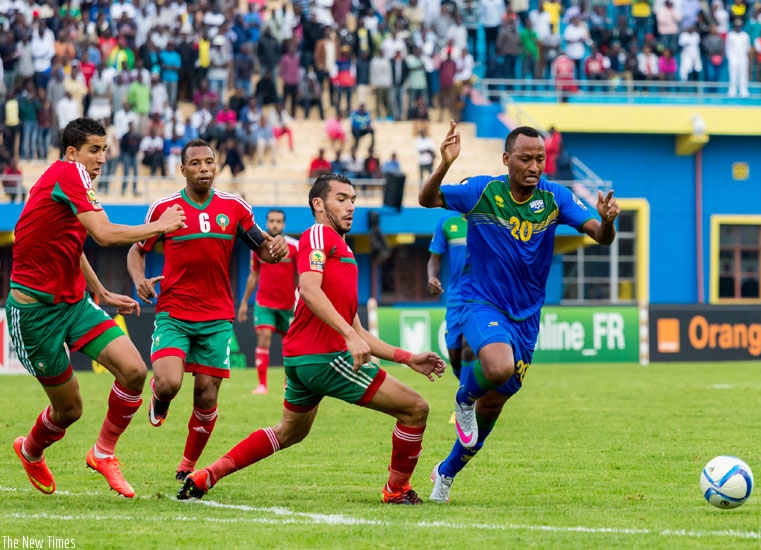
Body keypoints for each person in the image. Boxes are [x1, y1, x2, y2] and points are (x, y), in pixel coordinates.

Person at [178, 173, 447, 504]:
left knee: (289, 431)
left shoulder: (343, 249)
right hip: (325, 358)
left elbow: (359, 330)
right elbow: (309, 288)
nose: (350, 206)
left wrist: (408, 358)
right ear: (318, 204)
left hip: (304, 360)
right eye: (341, 199)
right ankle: (397, 490)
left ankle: (208, 474)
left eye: (353, 200)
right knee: (415, 409)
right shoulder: (319, 234)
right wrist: (347, 336)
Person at [419, 122, 620, 503]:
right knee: (497, 367)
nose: (534, 165)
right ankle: (463, 398)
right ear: (507, 159)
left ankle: (445, 474)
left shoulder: (556, 197)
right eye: (526, 158)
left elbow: (599, 234)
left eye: (540, 158)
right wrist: (444, 165)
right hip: (482, 302)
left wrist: (608, 221)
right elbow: (426, 199)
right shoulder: (483, 191)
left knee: (493, 406)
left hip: (527, 318)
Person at [8, 117, 186, 498]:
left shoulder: (75, 183)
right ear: (73, 152)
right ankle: (30, 449)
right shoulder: (68, 172)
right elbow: (104, 235)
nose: (102, 157)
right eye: (94, 149)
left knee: (135, 371)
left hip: (74, 305)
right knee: (70, 410)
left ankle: (103, 453)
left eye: (105, 149)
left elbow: (72, 245)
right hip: (34, 315)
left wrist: (101, 292)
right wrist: (160, 226)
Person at [126, 139, 289, 483]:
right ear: (182, 169)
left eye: (210, 162)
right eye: (196, 163)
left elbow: (264, 249)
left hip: (217, 316)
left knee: (206, 393)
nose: (204, 168)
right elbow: (137, 249)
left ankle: (187, 465)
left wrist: (276, 250)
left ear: (217, 167)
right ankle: (160, 397)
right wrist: (139, 279)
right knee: (169, 382)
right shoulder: (165, 209)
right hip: (174, 311)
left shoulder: (235, 208)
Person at [237, 209, 299, 394]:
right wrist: (243, 302)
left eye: (279, 221)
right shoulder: (258, 248)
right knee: (263, 338)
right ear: (267, 222)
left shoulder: (294, 247)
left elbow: (300, 276)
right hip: (264, 303)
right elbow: (253, 275)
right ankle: (262, 385)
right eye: (272, 221)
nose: (275, 224)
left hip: (288, 305)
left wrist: (300, 300)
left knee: (290, 344)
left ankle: (289, 383)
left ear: (284, 224)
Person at [427, 212, 476, 390]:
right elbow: (434, 258)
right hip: (456, 298)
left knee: (469, 347)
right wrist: (432, 277)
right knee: (455, 356)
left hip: (481, 297)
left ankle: (465, 403)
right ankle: (471, 390)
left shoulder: (488, 220)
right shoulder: (447, 222)